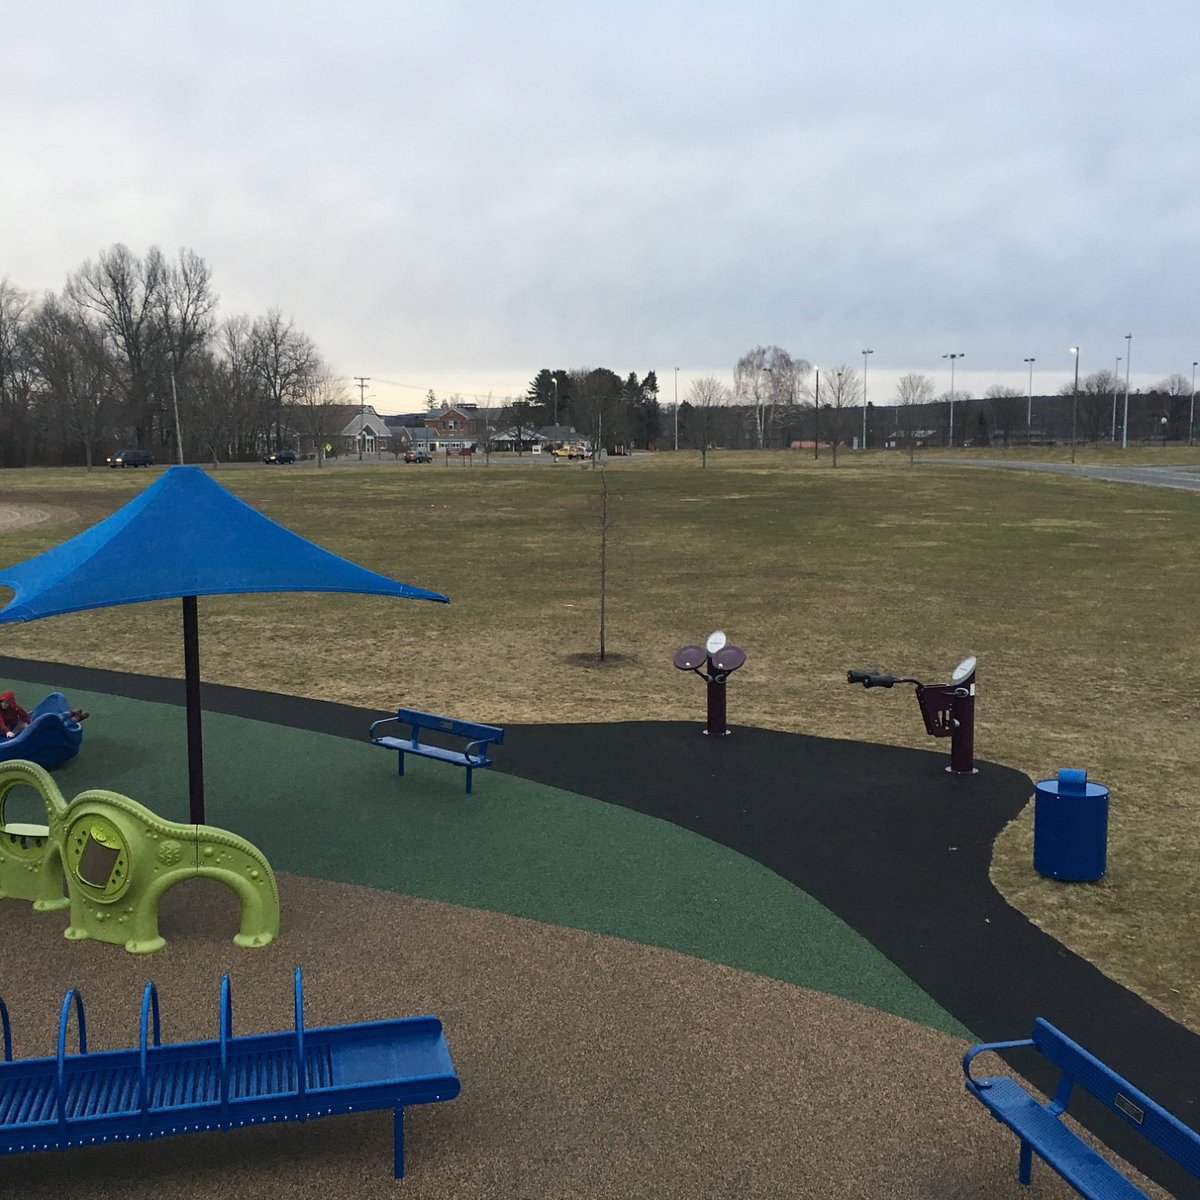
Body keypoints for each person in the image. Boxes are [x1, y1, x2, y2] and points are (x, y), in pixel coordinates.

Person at [0, 690, 88, 739]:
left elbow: (24, 715)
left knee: (57, 724)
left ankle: (72, 715)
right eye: (3, 703)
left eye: (6, 703)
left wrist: (30, 725)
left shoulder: (16, 708)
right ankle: (74, 717)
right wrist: (7, 730)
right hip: (6, 726)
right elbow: (1, 722)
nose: (4, 705)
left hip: (13, 725)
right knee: (59, 724)